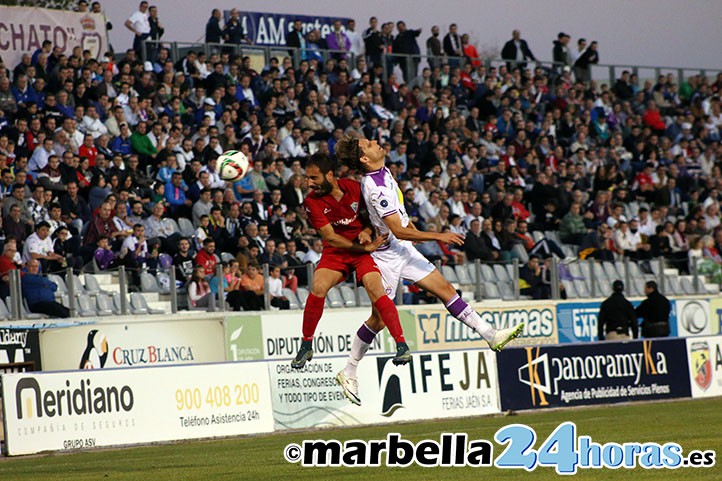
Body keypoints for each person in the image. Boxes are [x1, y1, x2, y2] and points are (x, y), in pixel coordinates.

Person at [333, 134, 524, 405]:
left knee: (446, 289)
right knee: (378, 319)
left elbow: (400, 219)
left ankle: (490, 335)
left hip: (402, 248)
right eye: (369, 144)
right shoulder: (375, 187)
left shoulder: (382, 172)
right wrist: (438, 236)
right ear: (364, 158)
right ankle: (349, 370)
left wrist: (411, 232)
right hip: (385, 257)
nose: (376, 142)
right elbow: (397, 229)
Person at [291, 152, 410, 373]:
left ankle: (401, 344)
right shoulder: (311, 202)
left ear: (329, 175)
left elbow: (371, 219)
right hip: (337, 252)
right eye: (307, 178)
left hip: (363, 251)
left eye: (314, 178)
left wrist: (366, 232)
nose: (309, 183)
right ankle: (306, 344)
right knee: (318, 287)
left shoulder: (354, 188)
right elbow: (331, 237)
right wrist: (364, 247)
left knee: (376, 289)